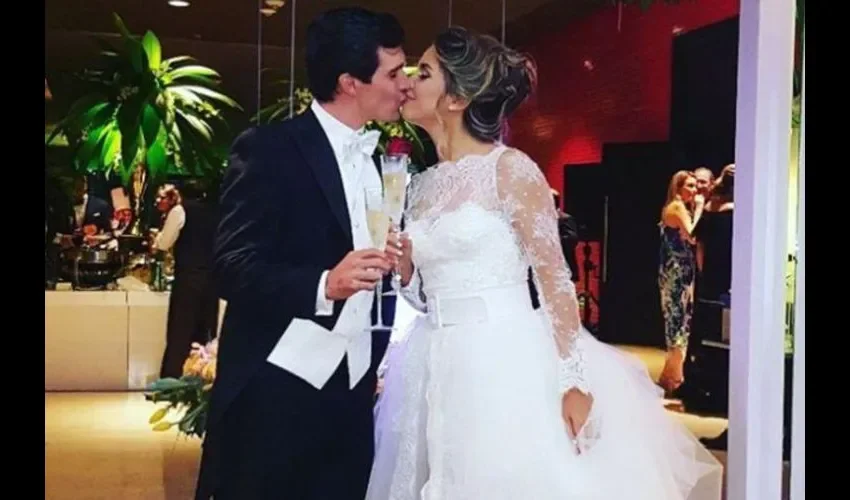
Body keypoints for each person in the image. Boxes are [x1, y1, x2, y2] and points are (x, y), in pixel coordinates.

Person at [366, 27, 722, 500]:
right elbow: (423, 295)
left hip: (502, 356)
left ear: (457, 98)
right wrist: (407, 268)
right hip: (431, 357)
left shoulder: (510, 169)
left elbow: (555, 279)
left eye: (424, 72)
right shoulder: (422, 184)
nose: (409, 81)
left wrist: (573, 380)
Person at [194, 7, 411, 500]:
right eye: (394, 73)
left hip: (355, 389)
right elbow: (230, 267)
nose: (405, 86)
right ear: (350, 82)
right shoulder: (269, 149)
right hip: (278, 388)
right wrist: (324, 284)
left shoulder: (377, 160)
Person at [152, 183, 221, 379]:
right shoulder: (216, 212)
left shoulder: (181, 210)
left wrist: (157, 239)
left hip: (188, 279)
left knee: (180, 331)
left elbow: (164, 243)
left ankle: (173, 378)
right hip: (212, 280)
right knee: (206, 331)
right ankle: (200, 378)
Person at [658, 171, 704, 392]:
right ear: (678, 188)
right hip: (676, 273)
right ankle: (674, 379)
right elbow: (692, 234)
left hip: (681, 271)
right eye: (690, 186)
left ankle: (669, 377)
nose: (695, 191)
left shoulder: (680, 207)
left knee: (680, 322)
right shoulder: (676, 207)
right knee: (678, 323)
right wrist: (701, 207)